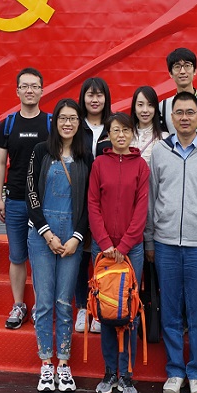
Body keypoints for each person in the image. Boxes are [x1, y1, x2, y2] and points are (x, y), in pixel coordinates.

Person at [145, 91, 197, 393]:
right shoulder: (160, 152)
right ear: (171, 117)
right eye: (179, 112)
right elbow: (151, 198)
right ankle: (174, 370)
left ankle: (196, 371)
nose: (184, 117)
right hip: (165, 244)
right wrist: (149, 238)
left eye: (190, 112)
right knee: (170, 311)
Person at [26, 99, 94, 392]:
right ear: (55, 122)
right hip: (42, 235)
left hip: (71, 237)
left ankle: (64, 364)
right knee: (44, 302)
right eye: (63, 118)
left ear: (79, 123)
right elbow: (30, 193)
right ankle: (45, 363)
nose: (68, 123)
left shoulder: (85, 157)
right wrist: (47, 234)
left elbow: (90, 201)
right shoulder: (41, 150)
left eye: (73, 119)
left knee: (65, 302)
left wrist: (76, 237)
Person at [88, 113, 150, 393]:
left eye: (126, 130)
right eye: (116, 130)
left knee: (128, 311)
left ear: (132, 133)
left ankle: (127, 374)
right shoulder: (99, 164)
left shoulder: (141, 166)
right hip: (102, 249)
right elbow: (93, 204)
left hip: (131, 249)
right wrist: (104, 243)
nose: (121, 135)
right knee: (106, 308)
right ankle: (109, 371)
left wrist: (123, 247)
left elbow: (141, 210)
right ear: (109, 135)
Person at [0, 68, 50, 329]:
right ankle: (19, 304)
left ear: (41, 90)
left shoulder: (50, 123)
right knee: (17, 256)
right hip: (15, 199)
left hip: (44, 202)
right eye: (25, 86)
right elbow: (0, 162)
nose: (29, 90)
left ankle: (41, 306)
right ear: (17, 91)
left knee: (41, 256)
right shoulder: (8, 124)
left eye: (34, 86)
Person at [74, 77, 112, 334]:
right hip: (78, 200)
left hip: (106, 203)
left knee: (100, 255)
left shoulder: (114, 126)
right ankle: (81, 307)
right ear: (83, 98)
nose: (95, 99)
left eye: (99, 95)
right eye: (90, 94)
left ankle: (99, 306)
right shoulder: (75, 125)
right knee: (80, 255)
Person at [159, 48, 197, 146]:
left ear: (195, 70)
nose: (182, 71)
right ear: (170, 73)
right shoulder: (163, 106)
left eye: (187, 66)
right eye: (177, 67)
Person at [130, 85, 169, 164]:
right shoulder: (126, 135)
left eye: (150, 105)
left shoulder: (164, 138)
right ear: (134, 108)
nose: (145, 110)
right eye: (140, 105)